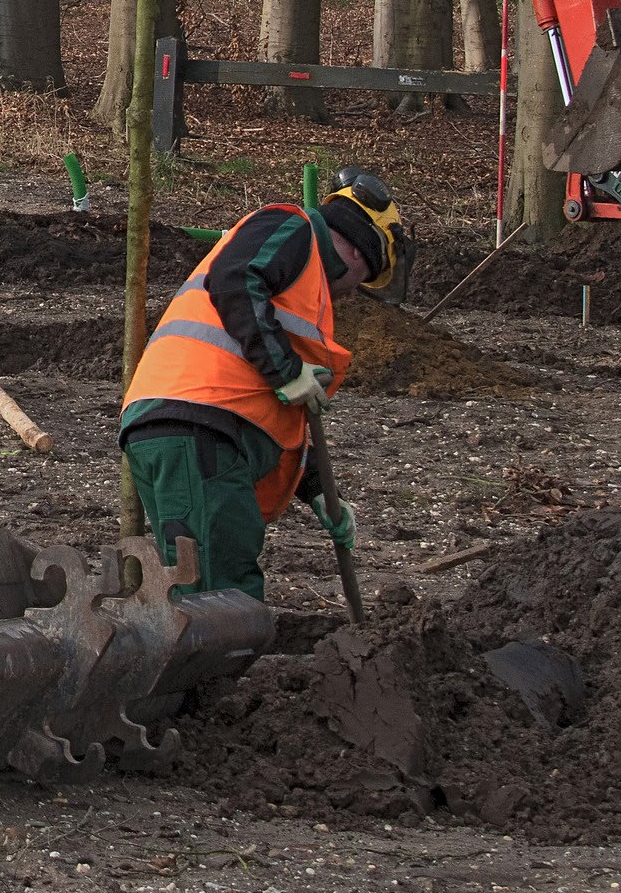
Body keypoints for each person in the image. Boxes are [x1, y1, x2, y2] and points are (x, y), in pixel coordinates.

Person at [117, 168, 410, 599]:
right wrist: (287, 371)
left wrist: (319, 490)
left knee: (199, 583)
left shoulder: (298, 286)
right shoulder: (291, 228)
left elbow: (277, 408)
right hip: (200, 425)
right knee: (220, 593)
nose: (352, 291)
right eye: (365, 276)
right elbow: (234, 280)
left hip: (192, 427)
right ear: (358, 251)